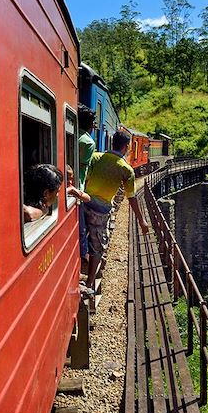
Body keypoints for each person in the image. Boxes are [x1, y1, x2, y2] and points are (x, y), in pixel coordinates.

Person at [83, 130, 149, 291]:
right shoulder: (126, 169)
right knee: (97, 247)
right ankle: (90, 283)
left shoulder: (95, 157)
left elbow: (85, 178)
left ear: (112, 142)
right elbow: (131, 197)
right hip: (101, 210)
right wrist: (142, 220)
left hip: (84, 202)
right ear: (127, 147)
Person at [77, 105, 96, 270]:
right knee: (81, 228)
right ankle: (83, 259)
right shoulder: (88, 142)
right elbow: (84, 168)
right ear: (91, 125)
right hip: (79, 188)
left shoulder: (71, 133)